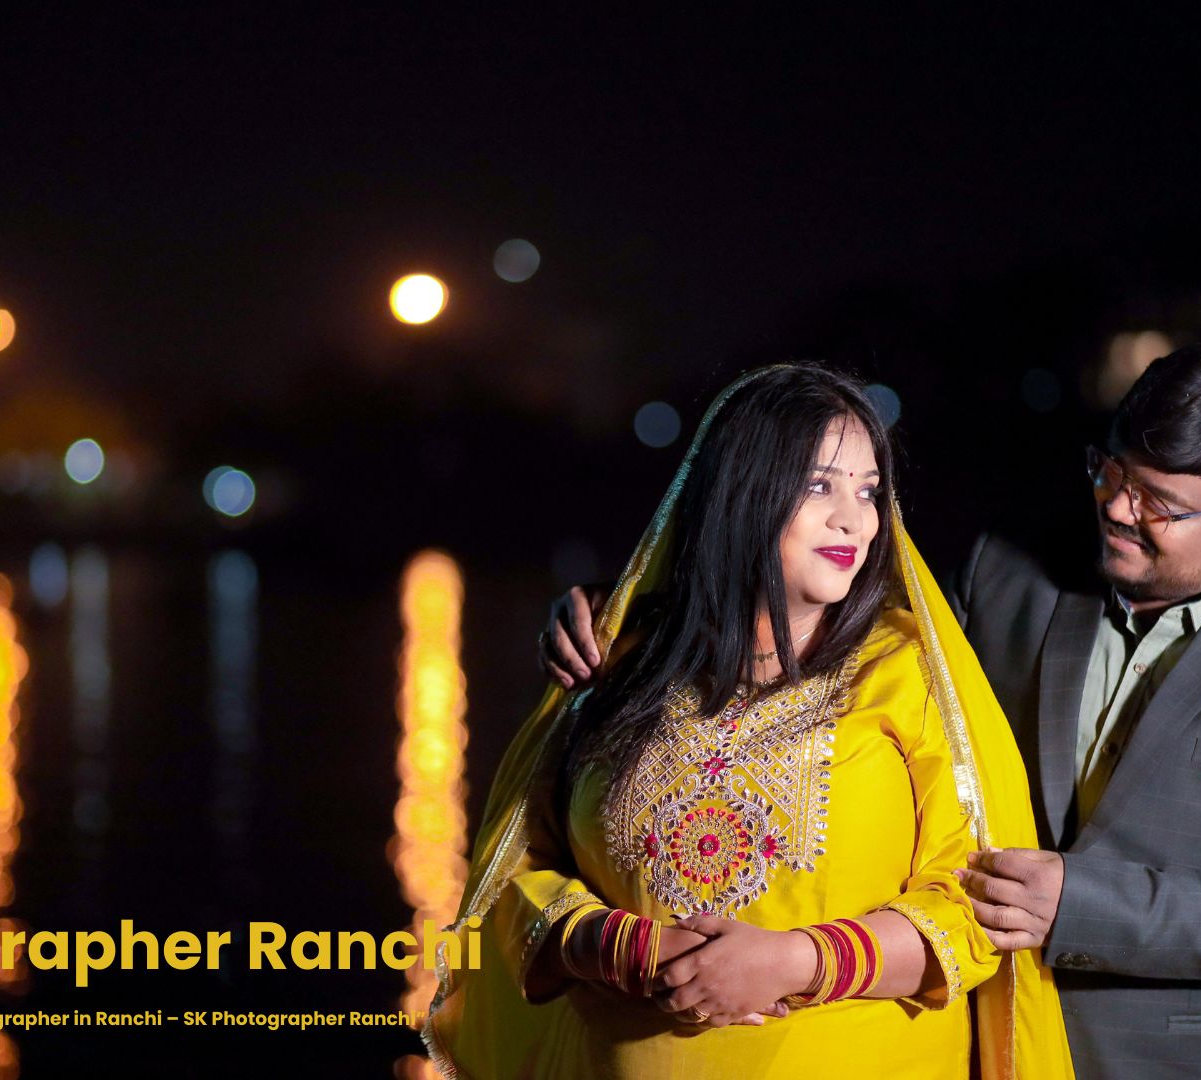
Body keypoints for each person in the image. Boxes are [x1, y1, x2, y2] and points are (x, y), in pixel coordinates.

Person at [541, 326, 1201, 1079]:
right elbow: (819, 621)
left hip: (1168, 1056)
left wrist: (1083, 903)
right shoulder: (1010, 575)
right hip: (970, 1039)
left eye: (1158, 502)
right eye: (1110, 468)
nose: (1113, 505)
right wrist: (628, 612)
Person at [425, 364, 1072, 1079]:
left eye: (868, 491)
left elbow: (979, 909)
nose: (853, 519)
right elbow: (512, 876)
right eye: (818, 484)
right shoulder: (618, 655)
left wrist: (797, 961)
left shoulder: (909, 674)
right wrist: (622, 948)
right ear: (740, 493)